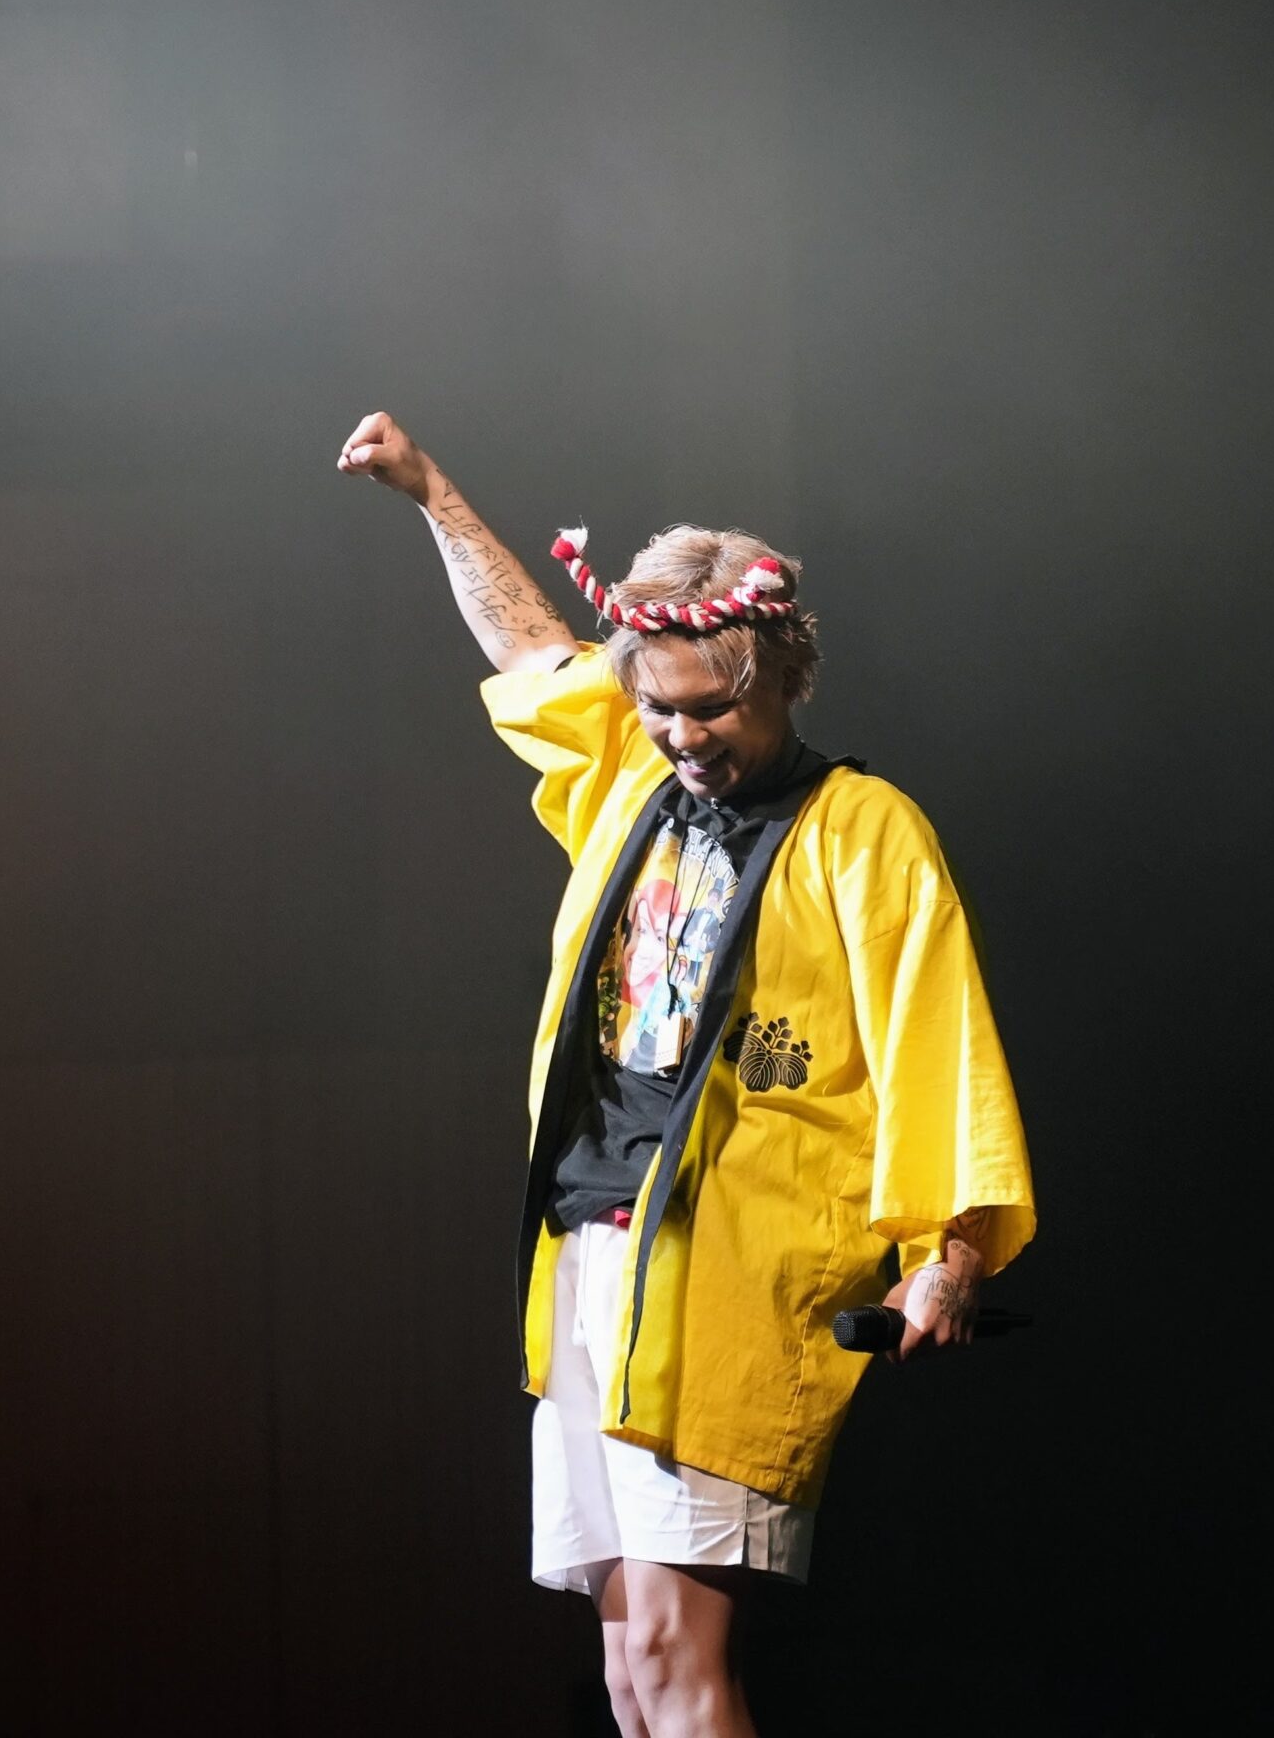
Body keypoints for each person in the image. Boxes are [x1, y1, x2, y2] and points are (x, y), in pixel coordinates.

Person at [336, 411, 1037, 1738]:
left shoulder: (861, 831)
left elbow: (936, 1040)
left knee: (672, 1653)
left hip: (729, 1272)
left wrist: (949, 1250)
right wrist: (430, 492)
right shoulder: (630, 778)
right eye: (659, 706)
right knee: (629, 1677)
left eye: (713, 707)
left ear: (783, 679)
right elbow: (529, 647)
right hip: (588, 1251)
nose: (682, 733)